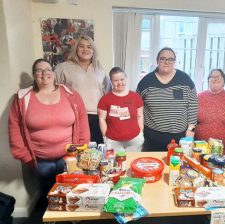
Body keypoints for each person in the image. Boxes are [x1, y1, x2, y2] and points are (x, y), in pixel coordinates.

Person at [8, 58, 90, 203]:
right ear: (34, 75)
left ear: (53, 73)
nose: (44, 73)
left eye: (47, 69)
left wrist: (81, 149)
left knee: (71, 193)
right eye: (39, 70)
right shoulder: (22, 98)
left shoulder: (70, 94)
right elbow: (14, 128)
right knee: (49, 196)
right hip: (40, 162)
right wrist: (25, 156)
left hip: (69, 157)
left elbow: (82, 121)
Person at [137, 47, 198, 151]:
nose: (166, 62)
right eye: (163, 59)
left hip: (180, 139)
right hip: (151, 138)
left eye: (170, 59)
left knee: (176, 166)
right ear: (157, 61)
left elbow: (193, 108)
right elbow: (138, 110)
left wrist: (190, 133)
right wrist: (139, 135)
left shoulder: (186, 80)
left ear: (175, 61)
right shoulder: (145, 82)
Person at [55, 35, 111, 144]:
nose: (85, 49)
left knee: (96, 152)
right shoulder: (63, 67)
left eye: (89, 47)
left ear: (93, 51)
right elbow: (53, 89)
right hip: (74, 116)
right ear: (76, 48)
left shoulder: (100, 70)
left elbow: (108, 94)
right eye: (81, 46)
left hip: (97, 117)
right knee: (77, 151)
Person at [98, 67, 144, 152]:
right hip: (113, 141)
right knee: (115, 164)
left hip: (134, 140)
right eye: (116, 80)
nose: (120, 83)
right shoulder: (105, 99)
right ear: (111, 81)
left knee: (132, 162)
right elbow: (102, 119)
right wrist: (105, 137)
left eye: (122, 79)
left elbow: (140, 116)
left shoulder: (136, 97)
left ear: (126, 79)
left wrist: (140, 133)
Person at [195, 69, 225, 154]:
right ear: (208, 81)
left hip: (221, 151)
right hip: (199, 149)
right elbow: (191, 122)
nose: (215, 78)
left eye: (218, 76)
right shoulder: (198, 97)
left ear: (224, 80)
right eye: (212, 77)